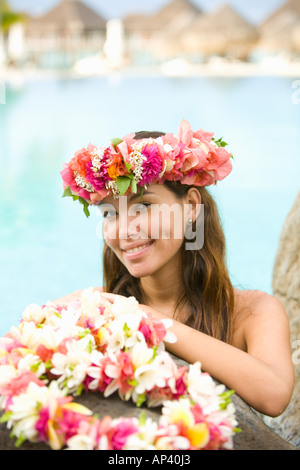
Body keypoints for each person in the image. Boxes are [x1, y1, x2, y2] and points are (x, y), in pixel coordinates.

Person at [58, 119, 294, 418]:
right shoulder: (97, 308)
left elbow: (273, 396)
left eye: (143, 206)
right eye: (109, 213)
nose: (124, 230)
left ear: (192, 206)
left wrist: (144, 318)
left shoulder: (253, 311)